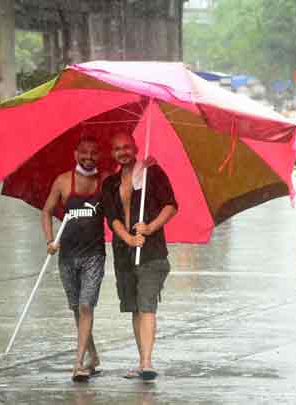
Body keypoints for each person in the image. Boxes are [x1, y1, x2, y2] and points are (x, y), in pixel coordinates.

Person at [102, 132, 178, 382]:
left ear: (135, 148)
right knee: (135, 307)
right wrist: (128, 238)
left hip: (151, 252)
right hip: (125, 254)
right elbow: (112, 218)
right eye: (117, 148)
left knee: (147, 305)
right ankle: (141, 360)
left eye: (126, 147)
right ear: (112, 153)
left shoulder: (152, 173)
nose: (122, 152)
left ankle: (146, 363)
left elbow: (170, 205)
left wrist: (150, 227)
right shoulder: (110, 183)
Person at [42, 135, 106, 382]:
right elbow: (47, 212)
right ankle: (93, 356)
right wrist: (50, 240)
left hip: (94, 255)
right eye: (84, 152)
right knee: (76, 310)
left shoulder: (104, 182)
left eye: (94, 153)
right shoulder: (63, 181)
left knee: (86, 305)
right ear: (75, 154)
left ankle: (78, 363)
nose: (89, 157)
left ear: (99, 156)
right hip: (67, 256)